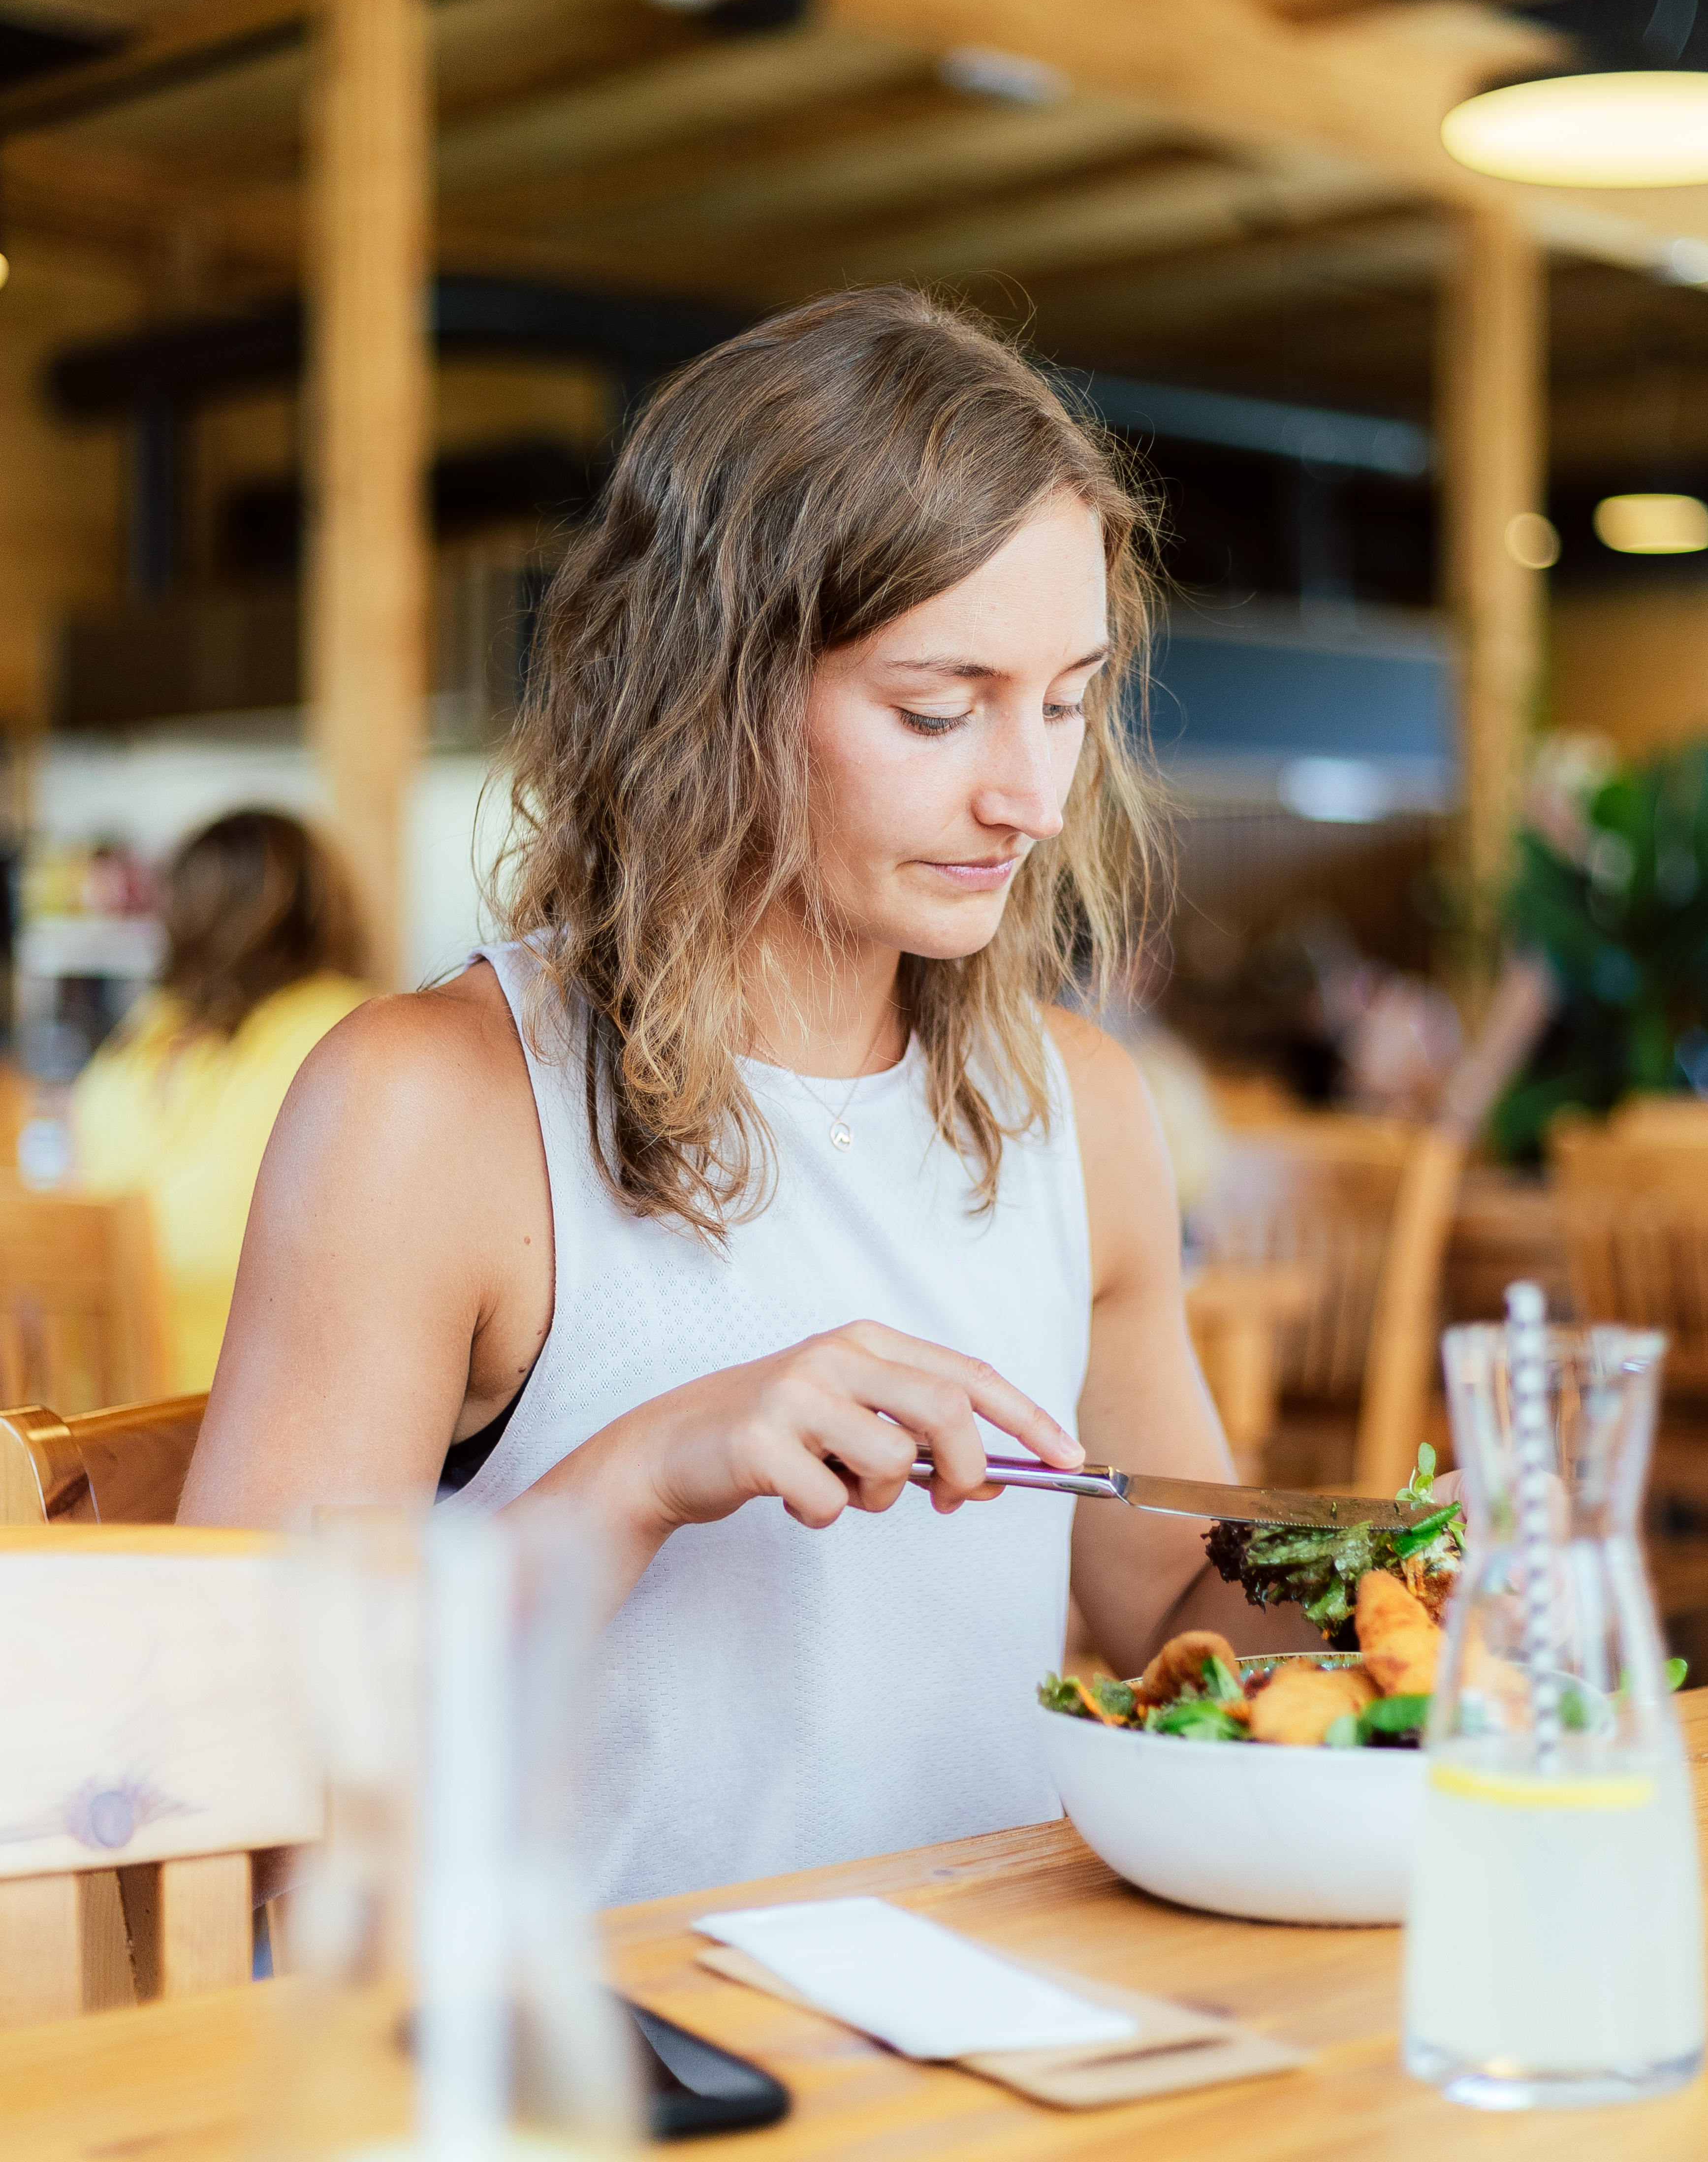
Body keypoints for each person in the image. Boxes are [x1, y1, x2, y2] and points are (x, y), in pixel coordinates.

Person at [180, 286, 1325, 1905]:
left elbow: (1163, 1612)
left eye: (1065, 701)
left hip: (993, 2033)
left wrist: (1416, 1595)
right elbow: (233, 1746)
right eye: (936, 710)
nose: (1028, 794)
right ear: (703, 692)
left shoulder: (1078, 1108)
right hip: (579, 2072)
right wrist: (649, 1468)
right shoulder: (432, 1108)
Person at [74, 810, 368, 1394]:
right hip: (226, 1415)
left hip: (78, 1415)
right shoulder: (348, 1027)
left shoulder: (138, 1040)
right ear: (319, 911)